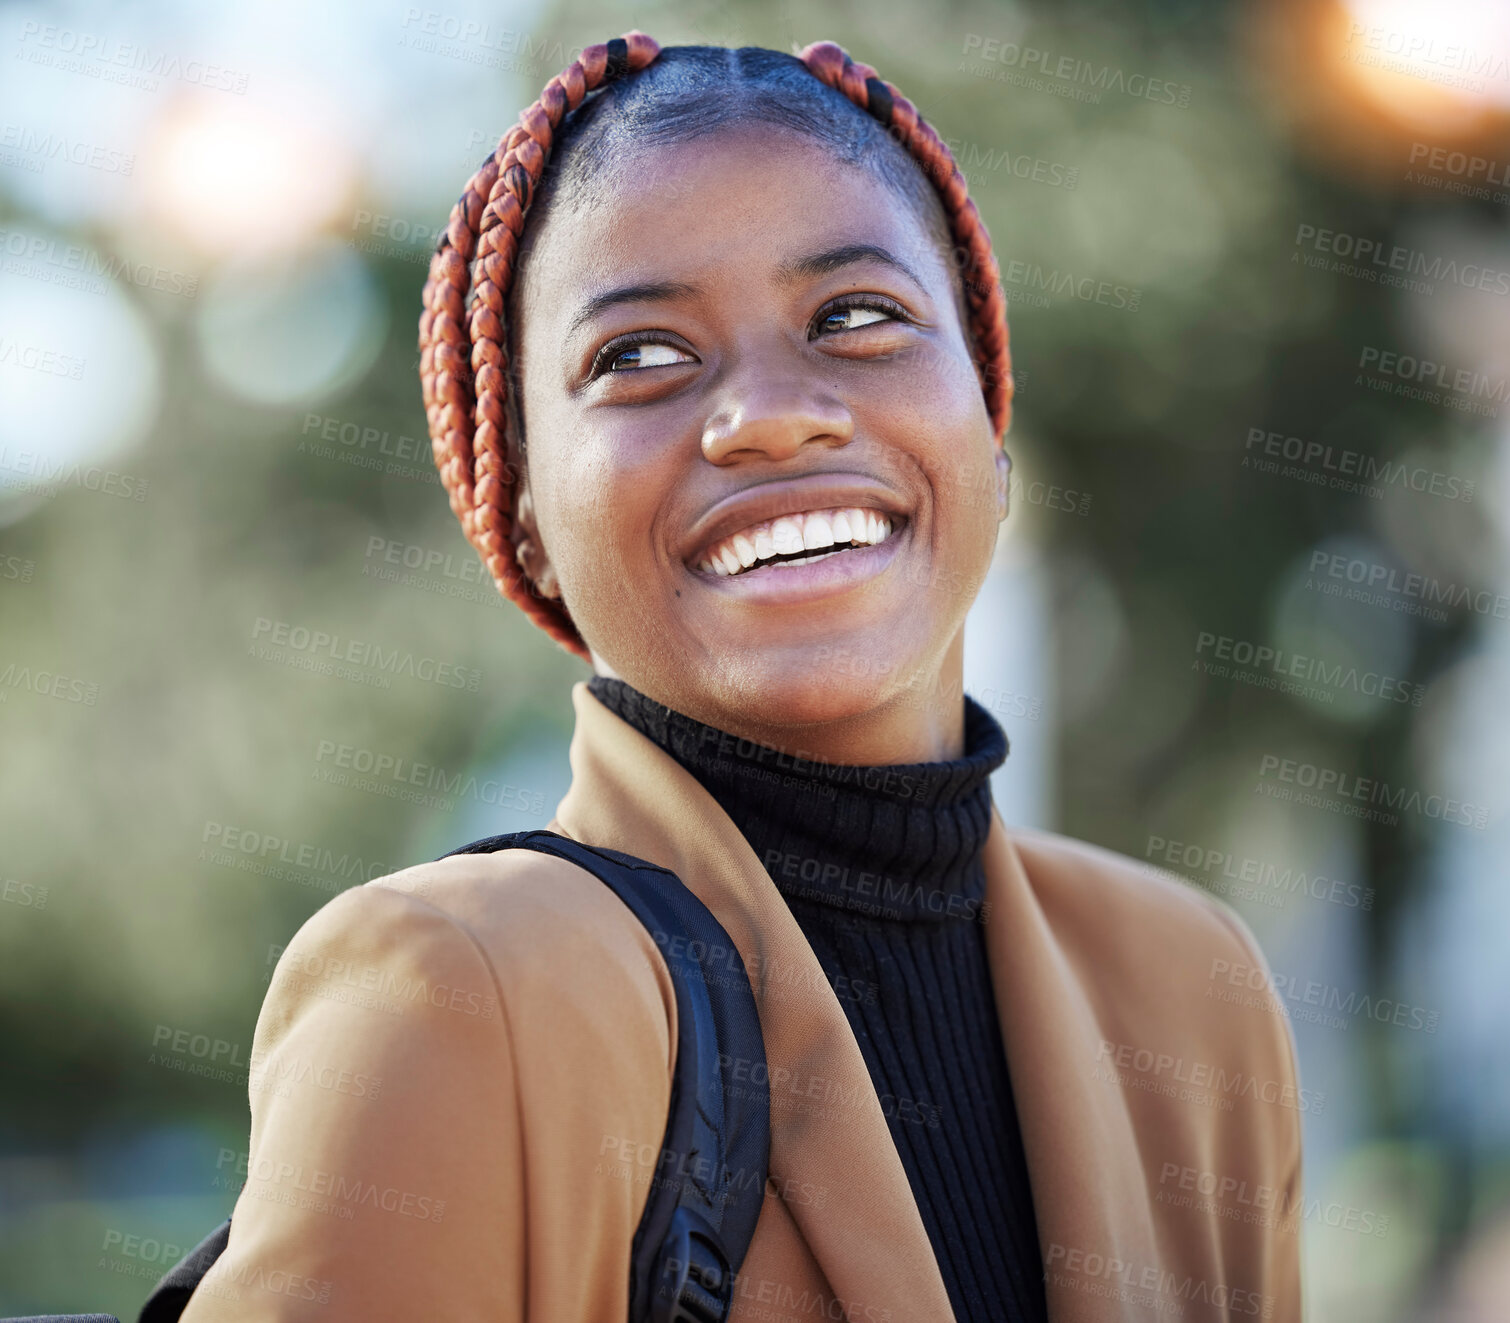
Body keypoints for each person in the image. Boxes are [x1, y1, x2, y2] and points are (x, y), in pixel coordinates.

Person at [180, 34, 1304, 1322]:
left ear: (988, 421)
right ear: (526, 508)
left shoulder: (1188, 985)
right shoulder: (459, 988)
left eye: (860, 317)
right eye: (640, 355)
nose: (770, 414)